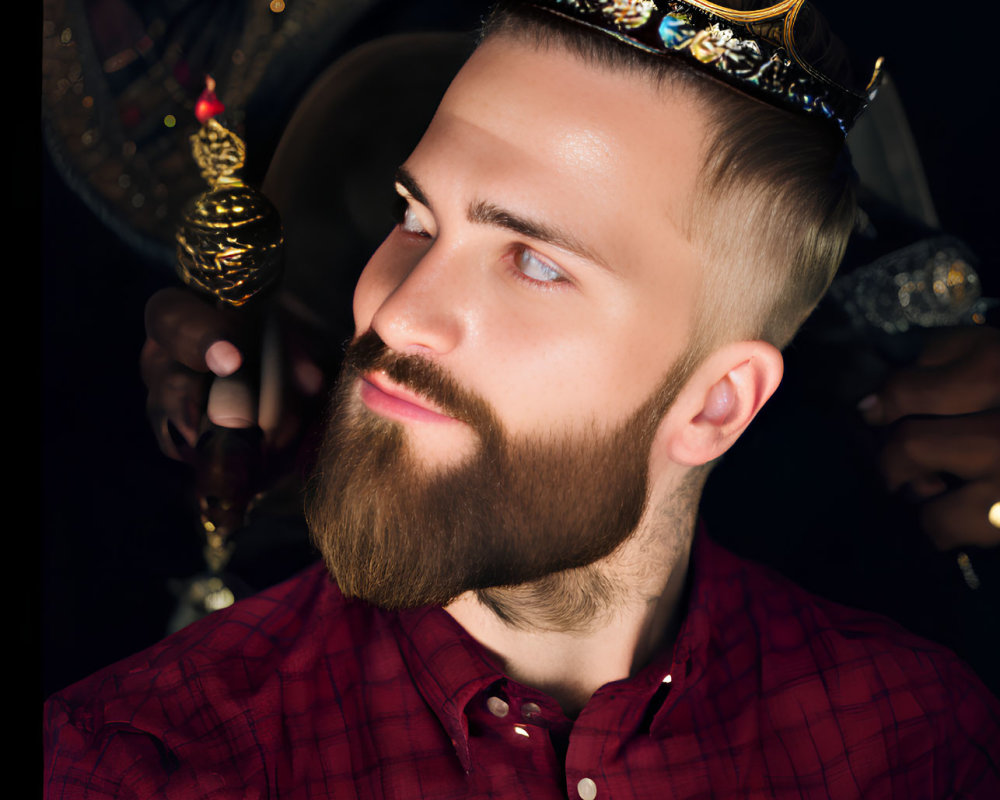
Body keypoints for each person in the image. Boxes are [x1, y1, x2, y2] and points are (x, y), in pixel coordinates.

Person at [44, 1, 1000, 797]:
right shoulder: (139, 763)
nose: (396, 310)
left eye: (535, 262)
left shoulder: (915, 743)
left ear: (716, 403)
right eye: (413, 217)